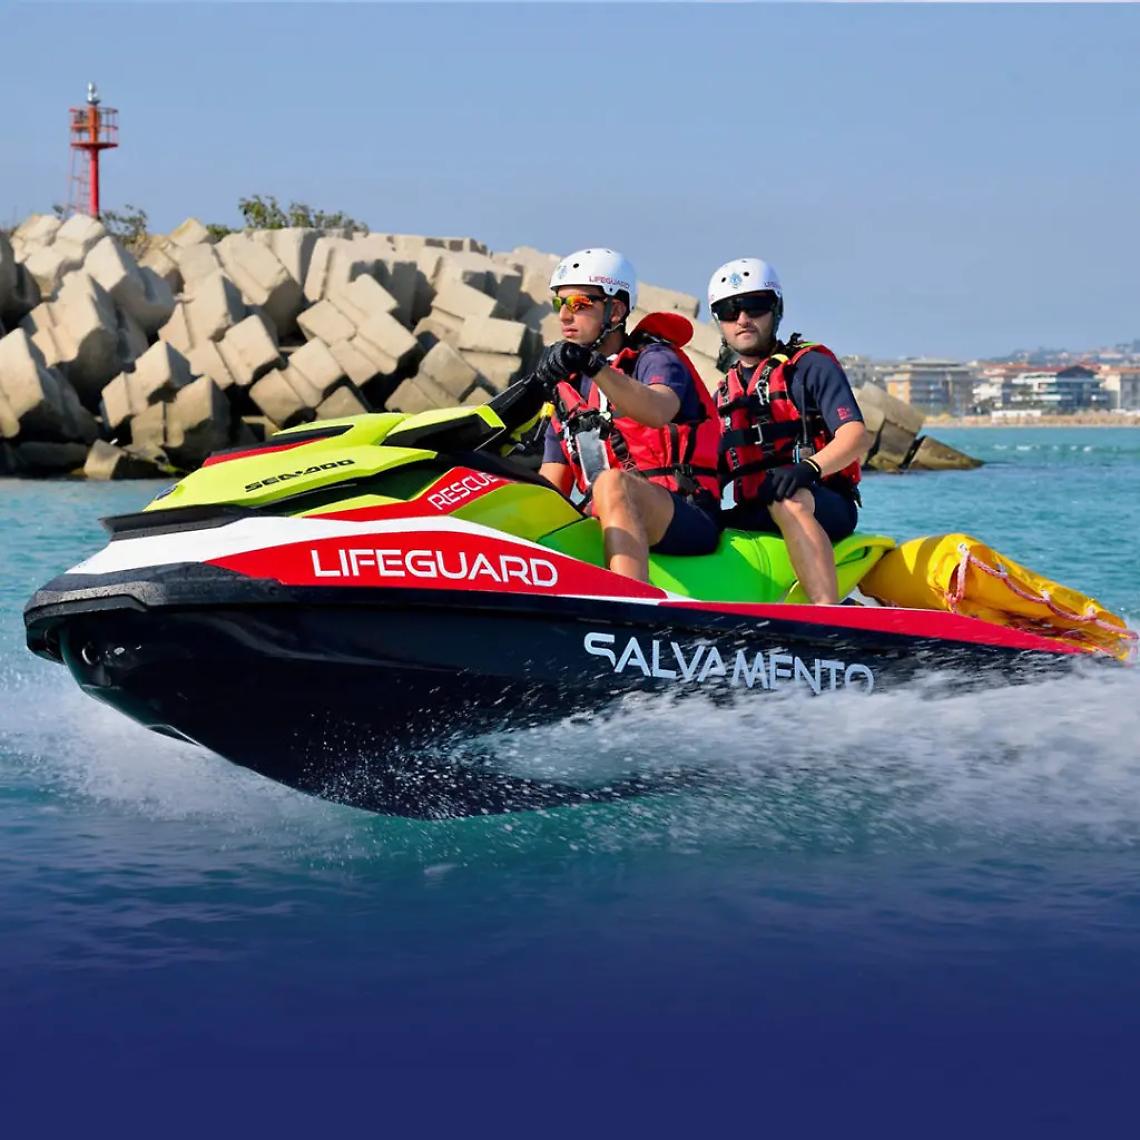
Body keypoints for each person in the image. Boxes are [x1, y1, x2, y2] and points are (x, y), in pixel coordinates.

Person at [534, 248, 721, 582]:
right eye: (559, 304)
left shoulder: (655, 359)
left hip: (686, 512)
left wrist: (592, 365)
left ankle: (632, 605)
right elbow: (550, 486)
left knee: (613, 482)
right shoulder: (568, 391)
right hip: (604, 513)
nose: (564, 316)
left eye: (578, 303)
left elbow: (658, 410)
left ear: (615, 310)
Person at [708, 257, 869, 604]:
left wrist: (806, 469)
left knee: (787, 500)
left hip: (821, 501)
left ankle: (827, 614)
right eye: (728, 311)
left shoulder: (810, 367)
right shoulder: (723, 392)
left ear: (776, 309)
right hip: (753, 507)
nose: (742, 319)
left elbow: (855, 435)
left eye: (755, 306)